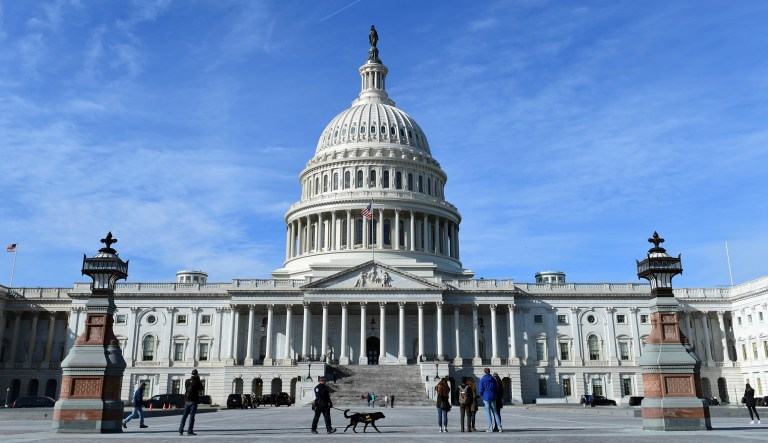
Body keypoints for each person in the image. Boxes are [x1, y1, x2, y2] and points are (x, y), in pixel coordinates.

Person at [179, 369, 204, 436]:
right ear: (196, 374)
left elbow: (186, 389)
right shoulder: (196, 381)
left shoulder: (187, 381)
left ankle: (180, 430)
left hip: (187, 400)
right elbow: (201, 388)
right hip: (193, 400)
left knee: (184, 415)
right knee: (192, 416)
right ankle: (190, 431)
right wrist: (198, 380)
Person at [478, 368, 502, 432]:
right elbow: (496, 388)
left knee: (488, 412)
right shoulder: (493, 379)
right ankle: (500, 427)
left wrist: (483, 394)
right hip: (493, 396)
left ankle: (490, 428)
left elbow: (480, 389)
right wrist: (494, 394)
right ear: (489, 372)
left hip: (486, 396)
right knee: (495, 412)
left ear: (484, 372)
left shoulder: (482, 379)